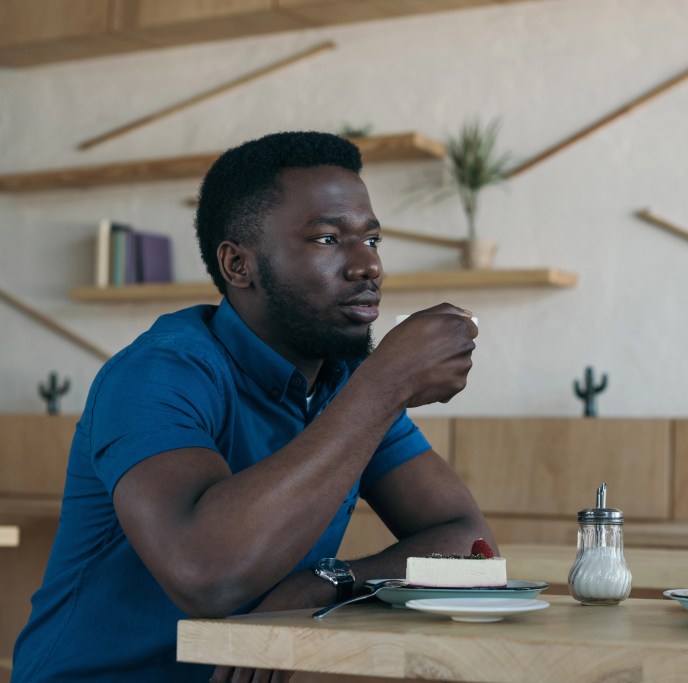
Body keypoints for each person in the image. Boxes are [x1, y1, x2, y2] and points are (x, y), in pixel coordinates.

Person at [12, 131, 496, 682]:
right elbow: (206, 576)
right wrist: (387, 382)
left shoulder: (346, 383)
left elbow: (471, 548)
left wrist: (324, 581)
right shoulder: (156, 374)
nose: (367, 267)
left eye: (373, 240)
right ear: (238, 265)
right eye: (326, 239)